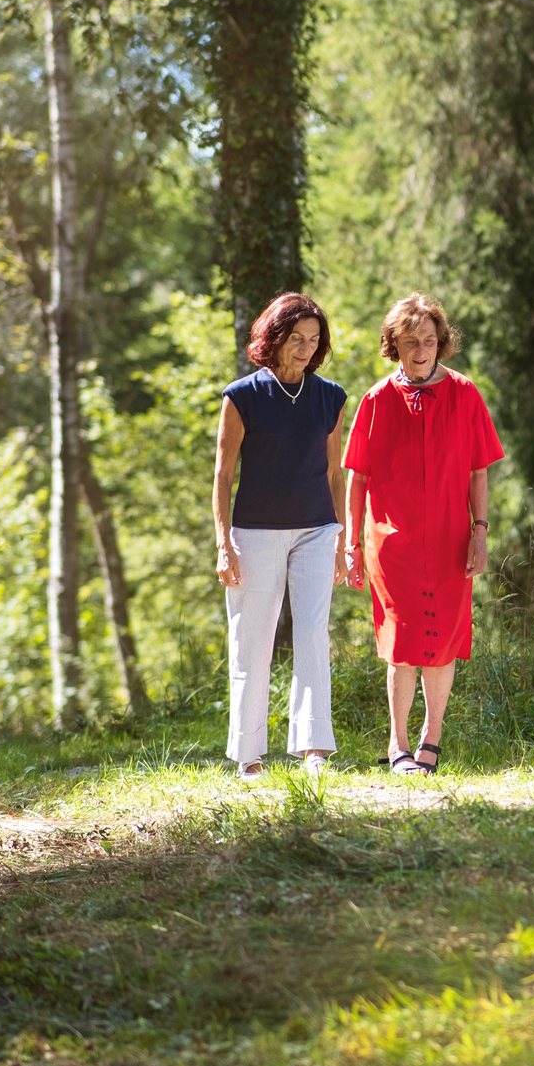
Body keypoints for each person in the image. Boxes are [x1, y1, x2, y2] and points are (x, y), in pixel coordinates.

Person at [343, 294, 504, 776]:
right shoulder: (376, 399)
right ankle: (397, 745)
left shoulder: (465, 393)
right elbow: (357, 478)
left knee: (444, 639)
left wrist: (480, 532)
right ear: (394, 345)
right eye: (410, 342)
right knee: (402, 642)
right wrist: (351, 544)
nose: (420, 350)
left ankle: (431, 739)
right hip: (393, 544)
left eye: (429, 341)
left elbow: (479, 471)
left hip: (453, 539)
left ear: (441, 342)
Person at [212, 293, 348, 779]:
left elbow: (336, 474)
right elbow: (223, 476)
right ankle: (249, 756)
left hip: (316, 529)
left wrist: (342, 538)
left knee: (313, 633)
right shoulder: (242, 396)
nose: (306, 350)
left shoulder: (329, 396)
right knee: (253, 640)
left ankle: (313, 749)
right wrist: (223, 542)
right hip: (254, 533)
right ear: (273, 339)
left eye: (314, 341)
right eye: (296, 340)